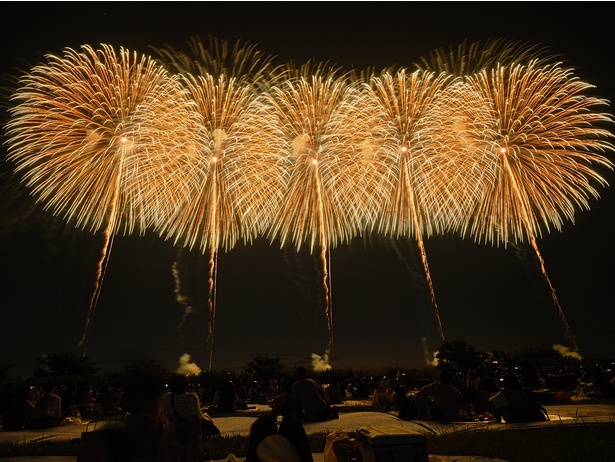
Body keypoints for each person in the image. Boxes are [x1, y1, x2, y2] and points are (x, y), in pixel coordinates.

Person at [162, 374, 202, 462]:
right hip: (189, 430)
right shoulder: (192, 397)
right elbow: (195, 415)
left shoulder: (168, 397)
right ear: (186, 385)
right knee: (189, 454)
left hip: (175, 430)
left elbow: (167, 416)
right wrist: (199, 431)